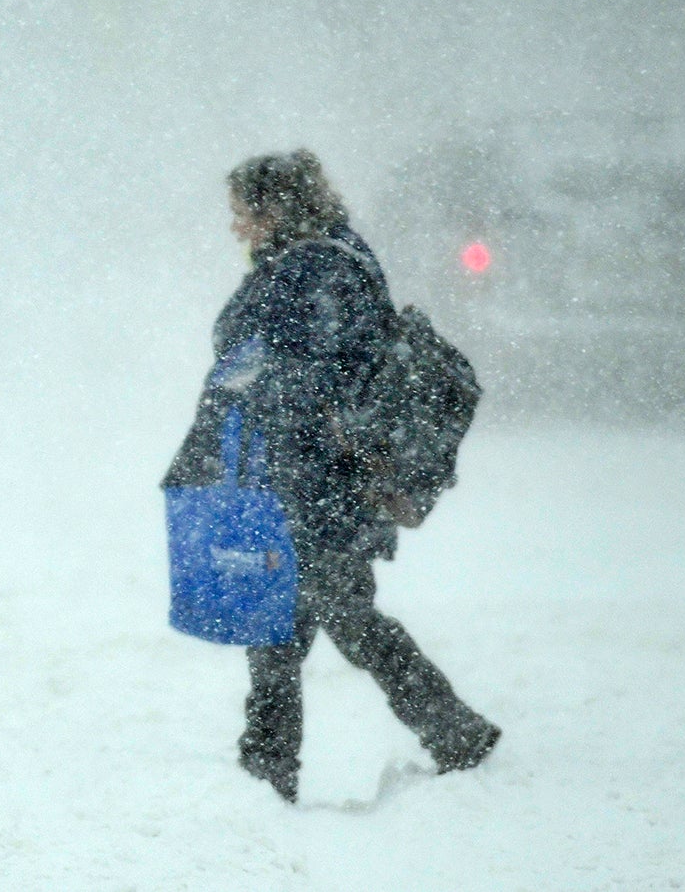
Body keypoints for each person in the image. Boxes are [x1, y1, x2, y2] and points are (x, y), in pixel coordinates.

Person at [163, 150, 500, 803]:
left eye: (242, 214)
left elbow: (317, 380)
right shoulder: (323, 259)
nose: (236, 228)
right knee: (296, 625)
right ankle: (273, 766)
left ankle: (445, 733)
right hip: (307, 481)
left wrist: (250, 379)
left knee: (329, 621)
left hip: (318, 484)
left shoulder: (317, 269)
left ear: (277, 209)